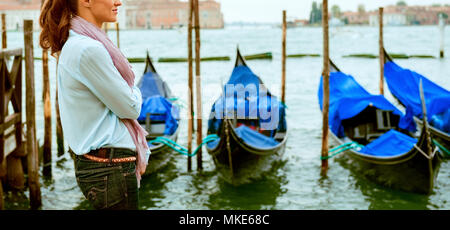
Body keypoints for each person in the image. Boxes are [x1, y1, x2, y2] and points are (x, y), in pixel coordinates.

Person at [39, 0, 150, 210]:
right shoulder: (88, 49)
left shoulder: (77, 43)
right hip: (109, 167)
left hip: (102, 166)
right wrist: (134, 90)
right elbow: (131, 108)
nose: (119, 2)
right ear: (86, 1)